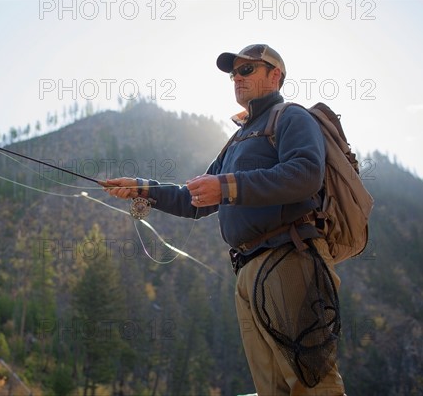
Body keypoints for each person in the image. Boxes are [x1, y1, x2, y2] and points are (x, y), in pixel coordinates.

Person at [103, 44, 346, 395]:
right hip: (247, 271)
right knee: (271, 387)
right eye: (234, 73)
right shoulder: (236, 141)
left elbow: (305, 174)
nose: (237, 78)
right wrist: (143, 188)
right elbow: (194, 200)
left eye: (247, 70)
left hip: (289, 256)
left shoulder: (291, 116)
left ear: (275, 75)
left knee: (311, 381)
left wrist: (227, 185)